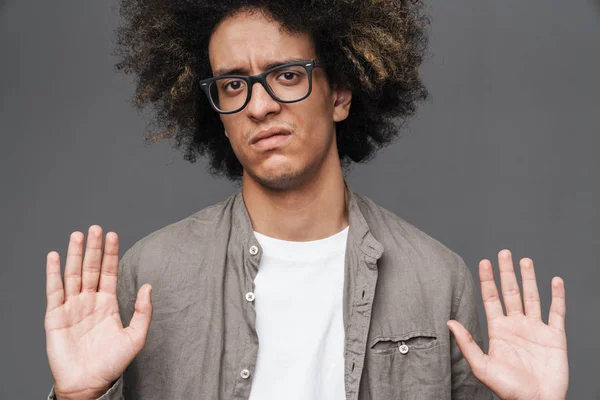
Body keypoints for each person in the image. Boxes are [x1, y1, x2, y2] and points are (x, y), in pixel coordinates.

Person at [45, 1, 569, 399]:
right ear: (219, 117)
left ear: (339, 94)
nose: (260, 105)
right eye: (233, 85)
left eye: (287, 75)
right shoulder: (150, 276)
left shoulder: (436, 278)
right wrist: (75, 397)